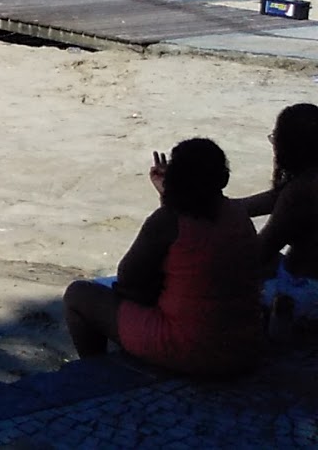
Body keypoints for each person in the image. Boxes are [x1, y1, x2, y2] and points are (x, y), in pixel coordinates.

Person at [63, 138, 263, 376]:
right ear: (223, 178)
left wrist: (168, 200)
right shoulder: (238, 214)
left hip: (191, 351)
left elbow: (129, 277)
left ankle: (94, 375)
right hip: (243, 346)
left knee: (79, 295)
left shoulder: (169, 220)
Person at [238, 103, 318, 332]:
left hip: (305, 290)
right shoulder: (304, 183)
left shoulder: (300, 192)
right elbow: (247, 206)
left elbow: (260, 252)